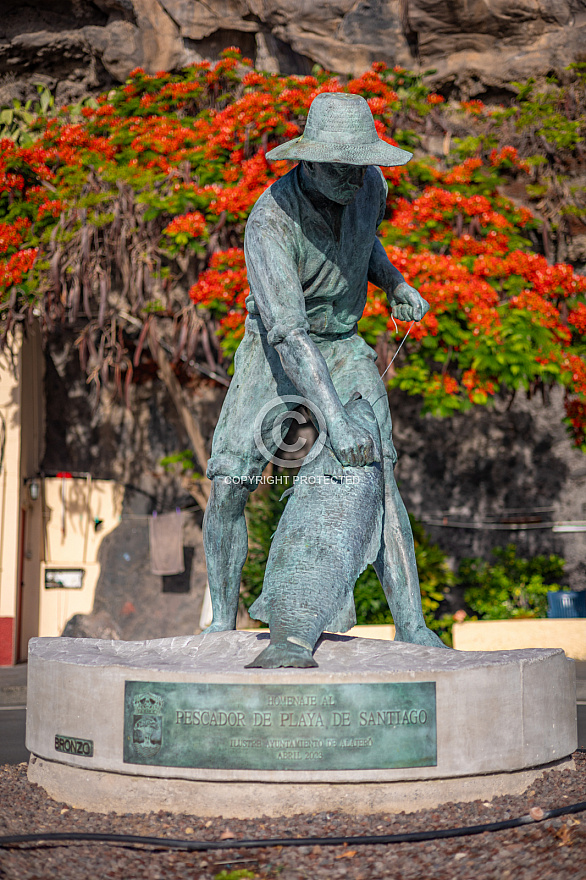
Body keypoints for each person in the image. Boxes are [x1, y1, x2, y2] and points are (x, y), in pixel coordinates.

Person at [203, 92, 446, 649]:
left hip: (342, 345)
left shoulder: (370, 187)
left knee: (380, 477)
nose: (355, 179)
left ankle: (412, 623)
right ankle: (222, 619)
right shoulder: (270, 221)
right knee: (231, 483)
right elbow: (288, 334)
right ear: (308, 160)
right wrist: (333, 421)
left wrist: (394, 283)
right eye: (341, 168)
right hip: (275, 351)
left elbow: (365, 245)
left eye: (361, 165)